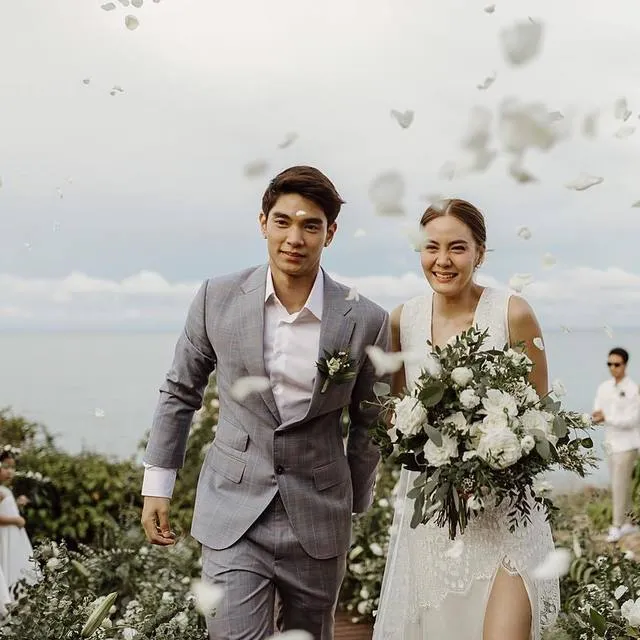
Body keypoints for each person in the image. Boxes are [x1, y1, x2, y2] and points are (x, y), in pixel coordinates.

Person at [140, 165, 390, 640]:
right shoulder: (216, 297)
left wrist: (354, 499)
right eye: (283, 221)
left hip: (319, 515)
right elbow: (180, 390)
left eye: (311, 225)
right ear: (263, 223)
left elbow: (370, 420)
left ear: (330, 233)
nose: (295, 238)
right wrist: (158, 484)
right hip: (233, 511)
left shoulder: (366, 319)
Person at [373, 199, 559, 640]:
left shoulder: (512, 313)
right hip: (437, 523)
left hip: (506, 520)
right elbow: (394, 418)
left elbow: (543, 421)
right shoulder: (402, 321)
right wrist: (429, 446)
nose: (443, 260)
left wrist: (489, 461)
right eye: (431, 247)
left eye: (457, 248)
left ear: (480, 253)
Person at [592, 347, 640, 542]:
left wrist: (608, 417)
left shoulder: (633, 389)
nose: (613, 368)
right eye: (609, 364)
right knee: (620, 484)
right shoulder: (604, 387)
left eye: (617, 364)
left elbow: (632, 419)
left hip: (627, 445)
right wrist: (598, 416)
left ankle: (617, 525)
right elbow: (597, 410)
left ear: (625, 365)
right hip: (610, 444)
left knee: (619, 485)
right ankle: (629, 523)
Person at [0, 447, 39, 598]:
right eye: (5, 467)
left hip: (14, 536)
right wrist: (15, 520)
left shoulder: (5, 490)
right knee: (8, 565)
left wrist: (16, 504)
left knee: (17, 565)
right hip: (5, 535)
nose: (10, 471)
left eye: (12, 468)